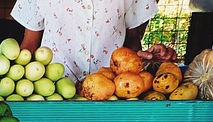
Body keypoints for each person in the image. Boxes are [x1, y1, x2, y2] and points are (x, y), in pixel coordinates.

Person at [10, 0, 158, 80]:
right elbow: (29, 46)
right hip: (55, 89)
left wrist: (149, 60)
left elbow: (132, 42)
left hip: (113, 89)